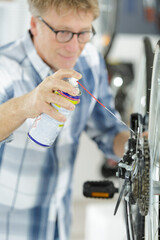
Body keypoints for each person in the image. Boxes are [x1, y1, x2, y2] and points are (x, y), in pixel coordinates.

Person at [0, 0, 129, 239]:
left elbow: (108, 131)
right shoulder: (5, 68)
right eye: (63, 33)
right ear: (34, 24)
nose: (74, 46)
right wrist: (27, 104)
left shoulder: (89, 61)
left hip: (59, 226)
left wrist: (137, 148)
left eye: (83, 33)